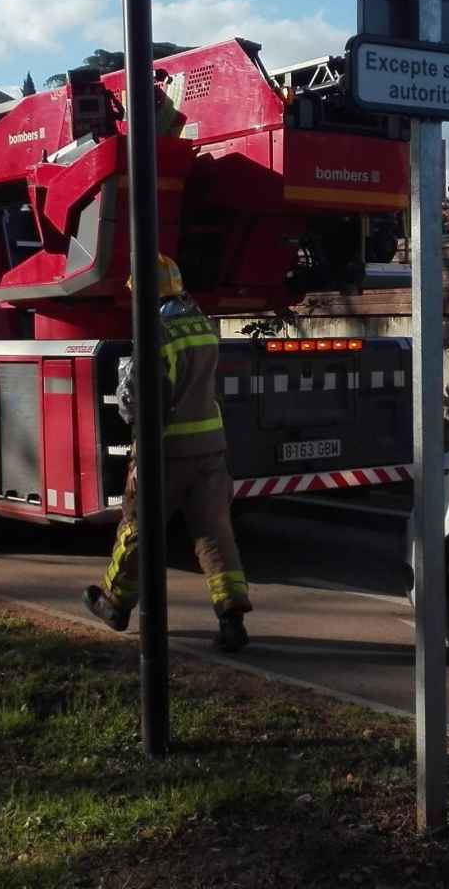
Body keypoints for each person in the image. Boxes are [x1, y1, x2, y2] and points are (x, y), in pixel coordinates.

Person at [83, 255, 253, 652]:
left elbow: (135, 401)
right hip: (210, 451)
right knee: (215, 534)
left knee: (137, 529)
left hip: (166, 452)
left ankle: (114, 605)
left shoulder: (156, 331)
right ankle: (232, 619)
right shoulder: (203, 326)